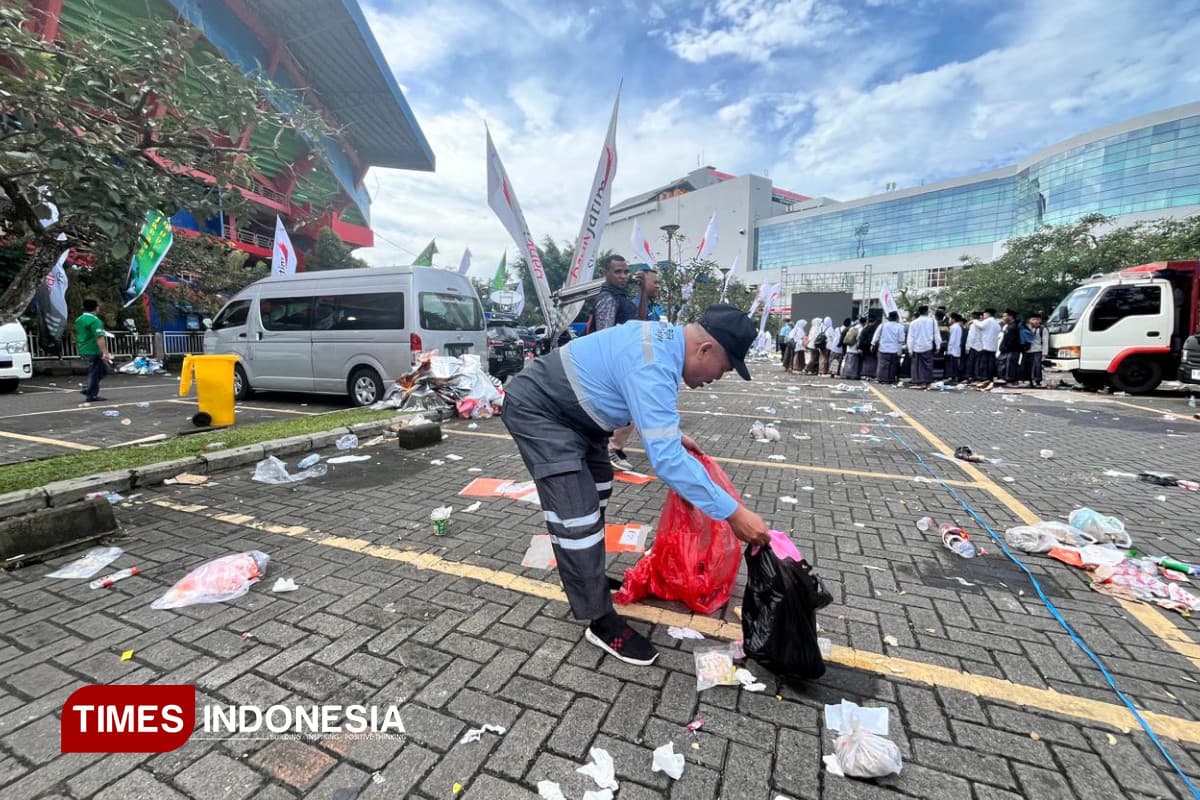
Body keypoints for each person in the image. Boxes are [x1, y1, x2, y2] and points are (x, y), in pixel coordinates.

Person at [501, 305, 770, 666]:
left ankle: (588, 577)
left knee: (597, 489)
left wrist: (673, 435)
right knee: (576, 517)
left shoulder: (663, 346)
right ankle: (599, 618)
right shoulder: (654, 362)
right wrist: (733, 513)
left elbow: (646, 406)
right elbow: (667, 461)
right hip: (541, 412)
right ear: (705, 350)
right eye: (723, 368)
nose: (717, 377)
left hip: (579, 418)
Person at [609, 265, 662, 464]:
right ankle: (612, 447)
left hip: (647, 364)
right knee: (634, 408)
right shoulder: (633, 306)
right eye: (654, 282)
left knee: (641, 409)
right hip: (633, 365)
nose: (658, 286)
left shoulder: (654, 306)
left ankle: (616, 446)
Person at [590, 255, 638, 470]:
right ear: (607, 274)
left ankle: (609, 449)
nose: (623, 276)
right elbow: (604, 335)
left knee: (626, 408)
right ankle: (609, 450)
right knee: (625, 407)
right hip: (607, 364)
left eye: (625, 271)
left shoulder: (621, 296)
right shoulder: (608, 298)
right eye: (618, 271)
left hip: (617, 362)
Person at [75, 299, 112, 402]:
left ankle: (89, 388)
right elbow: (99, 337)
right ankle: (91, 393)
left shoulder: (79, 319)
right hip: (93, 349)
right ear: (96, 308)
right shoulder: (95, 321)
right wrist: (105, 352)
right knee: (95, 372)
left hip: (83, 348)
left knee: (103, 369)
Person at [906, 305, 938, 388]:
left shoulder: (913, 323)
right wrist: (938, 346)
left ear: (919, 312)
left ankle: (918, 382)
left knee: (917, 366)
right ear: (927, 312)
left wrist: (910, 349)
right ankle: (926, 381)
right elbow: (936, 334)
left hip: (917, 347)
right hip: (928, 346)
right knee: (927, 365)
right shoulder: (933, 321)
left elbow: (910, 337)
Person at [873, 310, 905, 384]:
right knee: (892, 365)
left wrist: (873, 343)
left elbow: (876, 335)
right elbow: (901, 339)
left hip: (883, 348)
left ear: (889, 318)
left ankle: (881, 378)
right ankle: (890, 379)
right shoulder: (900, 327)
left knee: (882, 365)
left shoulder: (883, 325)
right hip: (894, 349)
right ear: (897, 318)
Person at [971, 309, 1000, 386]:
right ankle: (990, 378)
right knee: (991, 363)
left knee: (985, 363)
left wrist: (974, 321)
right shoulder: (996, 322)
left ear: (988, 314)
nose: (983, 316)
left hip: (986, 345)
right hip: (993, 346)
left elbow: (981, 325)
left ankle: (985, 378)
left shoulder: (989, 320)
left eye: (984, 314)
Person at [996, 310, 1024, 386]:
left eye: (1005, 316)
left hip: (1011, 350)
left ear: (1010, 317)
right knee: (1008, 365)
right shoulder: (1010, 326)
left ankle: (1010, 381)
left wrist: (1004, 348)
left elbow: (1011, 341)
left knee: (1010, 366)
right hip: (1010, 350)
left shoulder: (1013, 327)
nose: (1004, 318)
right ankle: (1011, 380)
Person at [1023, 312, 1048, 387]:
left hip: (1037, 351)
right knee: (1027, 367)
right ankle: (1028, 381)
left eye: (1037, 319)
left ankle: (1037, 381)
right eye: (1033, 319)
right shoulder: (1026, 328)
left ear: (1040, 320)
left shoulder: (1043, 329)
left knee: (1037, 367)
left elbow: (1045, 342)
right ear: (1030, 320)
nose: (1035, 321)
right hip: (1027, 351)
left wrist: (1044, 354)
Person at [858, 315, 881, 381]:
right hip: (873, 348)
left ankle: (866, 374)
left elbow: (861, 339)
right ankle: (872, 374)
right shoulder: (876, 329)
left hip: (865, 348)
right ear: (875, 321)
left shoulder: (865, 329)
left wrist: (860, 347)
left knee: (866, 361)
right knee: (873, 361)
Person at [945, 312, 966, 384]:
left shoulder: (953, 327)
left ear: (953, 319)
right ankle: (954, 378)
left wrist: (949, 349)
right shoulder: (958, 327)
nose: (949, 320)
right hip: (956, 348)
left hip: (953, 348)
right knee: (955, 364)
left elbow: (952, 339)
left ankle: (953, 378)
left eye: (950, 318)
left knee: (952, 364)